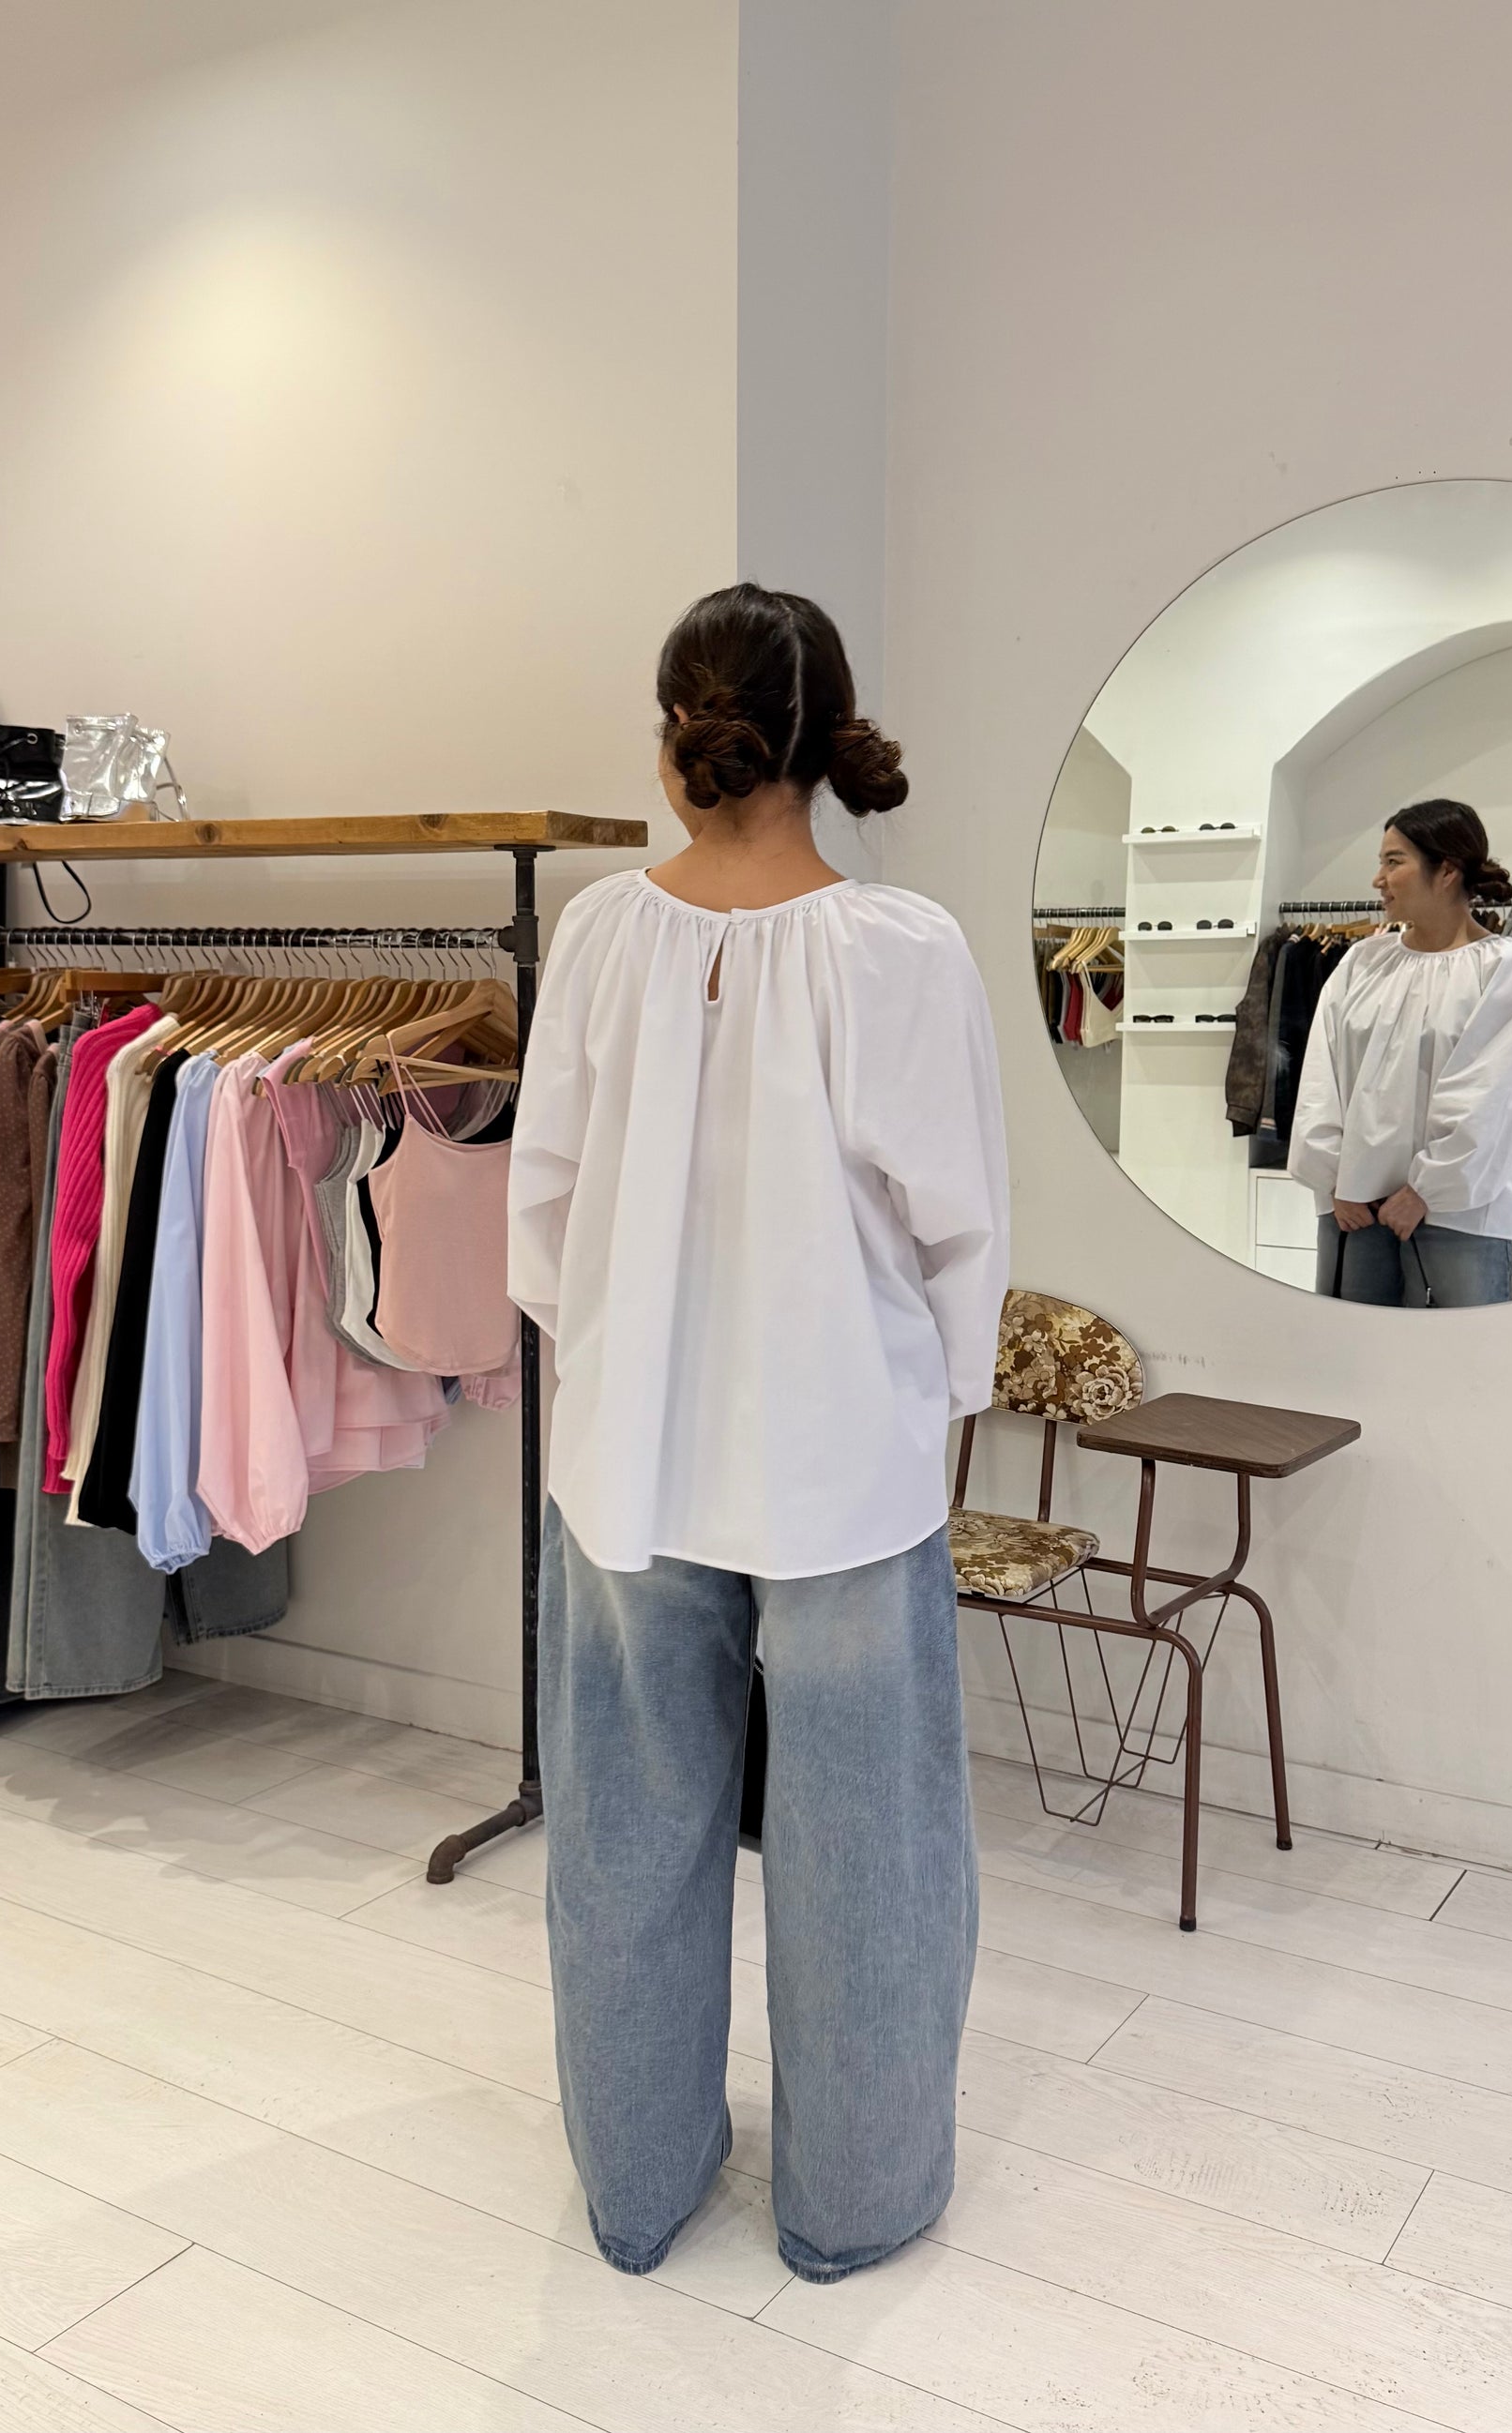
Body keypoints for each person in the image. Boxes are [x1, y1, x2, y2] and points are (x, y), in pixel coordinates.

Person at [507, 582, 1010, 2283]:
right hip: (844, 1453)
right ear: (821, 736)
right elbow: (956, 1226)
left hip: (624, 1457)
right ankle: (854, 2197)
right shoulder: (902, 946)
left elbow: (543, 1211)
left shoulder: (599, 931)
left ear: (678, 739)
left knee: (624, 1826)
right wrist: (936, 1398)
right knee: (870, 1840)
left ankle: (638, 2184)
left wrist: (617, 1360)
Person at [1288, 798, 1512, 1307]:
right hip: (1354, 1207)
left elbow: (1495, 1096)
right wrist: (1334, 1180)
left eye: (1394, 862)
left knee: (1457, 1350)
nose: (1378, 879)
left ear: (1447, 871)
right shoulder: (1362, 962)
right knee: (1353, 1347)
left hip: (1457, 1214)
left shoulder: (1504, 968)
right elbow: (1322, 1077)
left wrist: (1425, 1192)